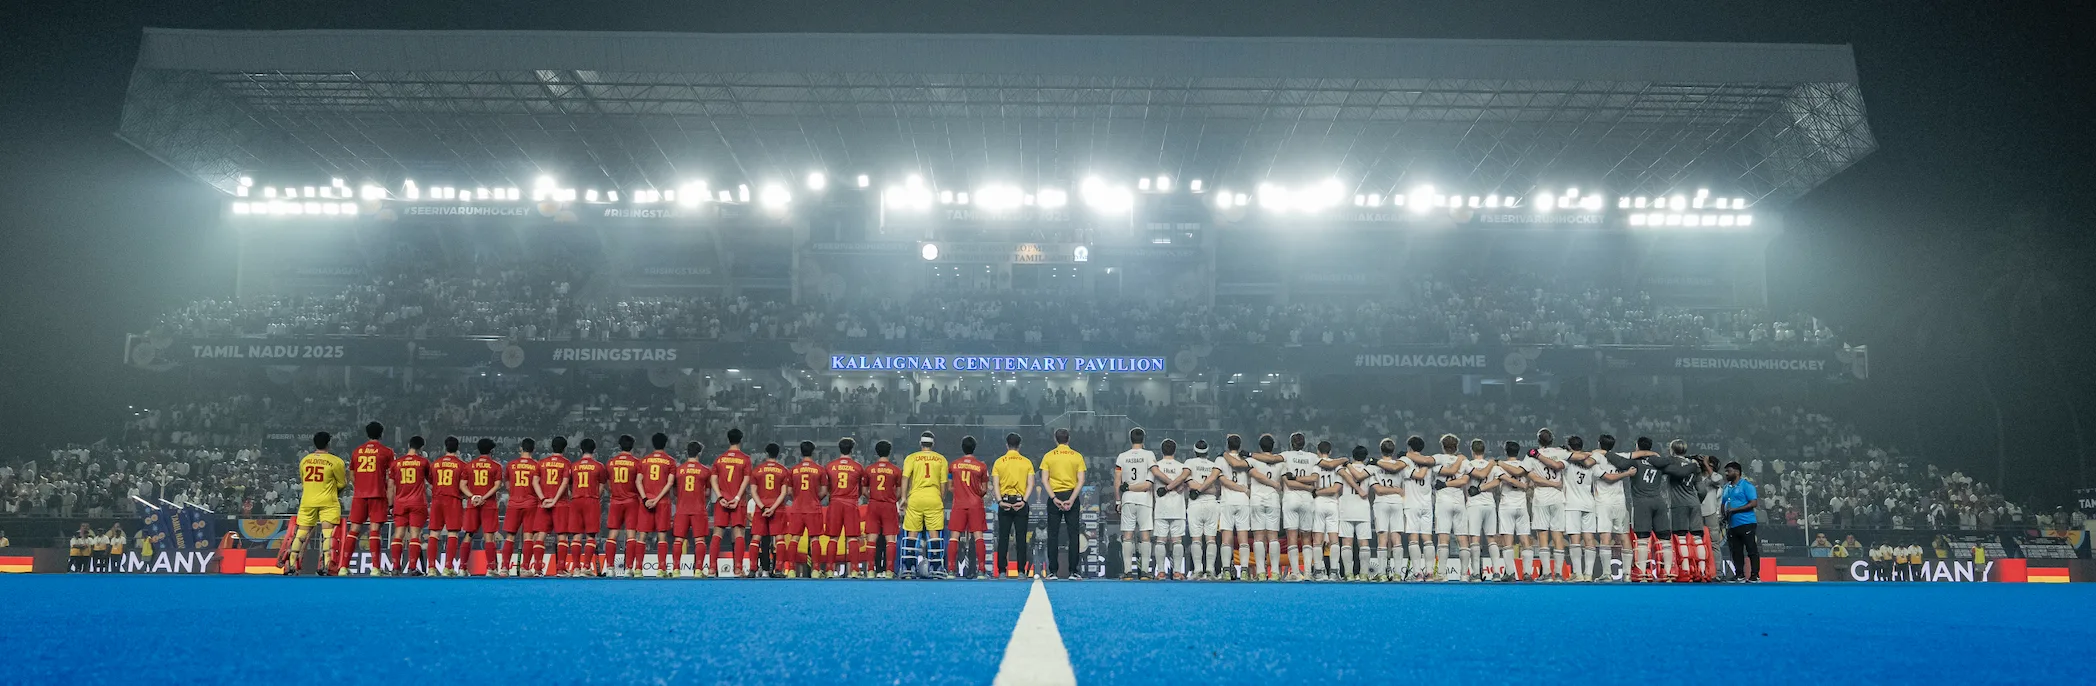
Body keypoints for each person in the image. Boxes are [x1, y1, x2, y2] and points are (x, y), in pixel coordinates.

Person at [286, 432, 347, 575]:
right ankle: (326, 565)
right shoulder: (336, 461)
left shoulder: (305, 460)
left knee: (301, 533)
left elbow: (303, 481)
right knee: (327, 534)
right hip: (328, 501)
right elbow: (342, 483)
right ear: (329, 443)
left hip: (308, 500)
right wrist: (333, 491)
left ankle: (291, 564)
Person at [1235, 434, 1287, 581]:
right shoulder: (1280, 463)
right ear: (1273, 446)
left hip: (1257, 500)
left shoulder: (1252, 460)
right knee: (1273, 537)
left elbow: (1238, 465)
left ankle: (1261, 572)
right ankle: (1275, 572)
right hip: (1273, 500)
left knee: (1258, 537)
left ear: (1260, 447)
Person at [345, 422, 395, 575]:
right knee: (374, 530)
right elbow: (391, 476)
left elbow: (351, 474)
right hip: (378, 494)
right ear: (381, 434)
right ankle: (375, 568)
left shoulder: (357, 451)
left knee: (354, 529)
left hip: (360, 495)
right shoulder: (387, 451)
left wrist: (361, 486)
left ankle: (343, 567)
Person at [898, 432, 949, 579]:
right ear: (933, 444)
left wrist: (903, 497)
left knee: (912, 533)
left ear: (920, 444)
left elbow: (905, 478)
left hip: (915, 498)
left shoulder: (911, 458)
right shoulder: (941, 459)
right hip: (933, 497)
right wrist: (940, 498)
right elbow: (943, 484)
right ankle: (936, 568)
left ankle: (908, 568)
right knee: (934, 534)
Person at [1040, 428, 1087, 579]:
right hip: (1071, 495)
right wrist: (1072, 499)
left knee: (1053, 535)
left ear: (1055, 439)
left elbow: (1044, 480)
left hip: (1055, 496)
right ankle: (1073, 571)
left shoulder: (1048, 456)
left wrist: (1054, 498)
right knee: (1073, 535)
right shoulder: (1077, 456)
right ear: (1069, 439)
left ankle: (1053, 572)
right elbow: (1081, 480)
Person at [1113, 428, 1158, 579]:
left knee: (1127, 535)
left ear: (1130, 439)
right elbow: (1149, 483)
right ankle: (1144, 572)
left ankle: (1127, 572)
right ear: (1143, 439)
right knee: (1145, 535)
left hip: (1128, 499)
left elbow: (1117, 480)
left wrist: (1118, 500)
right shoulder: (1149, 455)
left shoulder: (1122, 456)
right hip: (1144, 499)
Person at [990, 433, 1035, 579]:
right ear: (1019, 445)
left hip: (1004, 502)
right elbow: (1031, 484)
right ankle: (1021, 571)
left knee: (1003, 537)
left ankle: (1002, 571)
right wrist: (1024, 501)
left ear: (1006, 445)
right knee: (1021, 538)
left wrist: (999, 502)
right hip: (1021, 503)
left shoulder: (999, 462)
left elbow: (995, 484)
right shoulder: (1027, 462)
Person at [1277, 432, 1321, 582]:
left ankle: (1295, 573)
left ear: (1291, 443)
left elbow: (1288, 483)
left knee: (1292, 537)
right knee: (1307, 537)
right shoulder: (1313, 457)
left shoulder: (1285, 456)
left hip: (1290, 499)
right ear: (1304, 443)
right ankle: (1308, 573)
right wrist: (1308, 488)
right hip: (1307, 500)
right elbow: (1314, 478)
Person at [1527, 429, 1570, 580]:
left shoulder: (1532, 455)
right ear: (1552, 440)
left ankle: (1546, 573)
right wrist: (1555, 484)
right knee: (1558, 535)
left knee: (1543, 535)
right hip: (1558, 498)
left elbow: (1534, 478)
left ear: (1538, 440)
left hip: (1541, 498)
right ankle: (1558, 573)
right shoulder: (1561, 453)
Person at [385, 436, 431, 576]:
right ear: (421, 448)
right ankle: (412, 567)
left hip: (400, 502)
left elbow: (390, 486)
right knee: (415, 535)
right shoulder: (423, 462)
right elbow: (431, 481)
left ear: (408, 445)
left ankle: (396, 568)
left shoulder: (396, 463)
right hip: (417, 502)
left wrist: (390, 505)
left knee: (398, 534)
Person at [710, 430, 754, 578]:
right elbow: (746, 479)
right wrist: (736, 497)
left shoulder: (719, 459)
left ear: (728, 439)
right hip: (738, 501)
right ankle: (738, 570)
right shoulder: (745, 459)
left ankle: (711, 569)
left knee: (717, 533)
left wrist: (720, 496)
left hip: (722, 500)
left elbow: (713, 479)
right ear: (741, 440)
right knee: (739, 533)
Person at [496, 438, 542, 577]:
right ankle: (525, 568)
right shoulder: (537, 465)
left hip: (514, 503)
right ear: (534, 449)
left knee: (510, 536)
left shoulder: (511, 464)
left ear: (520, 448)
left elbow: (507, 483)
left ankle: (504, 568)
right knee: (528, 536)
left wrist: (514, 493)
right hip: (530, 503)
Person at [1593, 435, 1636, 582]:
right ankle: (1627, 574)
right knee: (1624, 536)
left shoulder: (1596, 458)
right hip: (1620, 502)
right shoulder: (1620, 457)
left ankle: (1607, 574)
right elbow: (1637, 454)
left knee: (1606, 536)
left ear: (1599, 443)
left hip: (1603, 503)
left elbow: (1609, 478)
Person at [461, 438, 505, 577]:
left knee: (468, 534)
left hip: (472, 504)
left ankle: (462, 568)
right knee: (488, 536)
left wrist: (473, 497)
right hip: (488, 505)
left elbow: (462, 485)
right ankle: (491, 569)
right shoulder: (496, 466)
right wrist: (483, 498)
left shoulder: (469, 465)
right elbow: (497, 485)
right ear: (492, 450)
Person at [948, 437, 991, 579]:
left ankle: (950, 571)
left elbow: (950, 487)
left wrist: (961, 492)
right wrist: (974, 493)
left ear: (962, 447)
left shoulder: (953, 465)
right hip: (975, 504)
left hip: (959, 504)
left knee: (954, 537)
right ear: (974, 448)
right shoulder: (981, 466)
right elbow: (984, 489)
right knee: (978, 536)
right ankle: (981, 571)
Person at [637, 434, 679, 578]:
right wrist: (657, 499)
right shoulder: (670, 461)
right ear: (665, 444)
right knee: (662, 535)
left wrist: (645, 499)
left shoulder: (644, 460)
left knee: (642, 535)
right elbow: (670, 483)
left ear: (652, 443)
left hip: (646, 502)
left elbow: (638, 481)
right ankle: (661, 569)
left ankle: (638, 569)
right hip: (662, 502)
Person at [825, 438, 867, 578]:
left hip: (835, 502)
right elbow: (861, 489)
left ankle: (829, 570)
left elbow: (827, 487)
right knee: (852, 538)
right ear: (852, 449)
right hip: (851, 503)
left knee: (833, 538)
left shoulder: (830, 466)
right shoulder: (858, 467)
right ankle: (854, 570)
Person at [1215, 435, 1254, 581]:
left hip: (1227, 501)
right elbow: (1250, 481)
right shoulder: (1246, 460)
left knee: (1226, 537)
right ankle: (1244, 570)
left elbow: (1222, 481)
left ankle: (1226, 570)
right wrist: (1244, 489)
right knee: (1243, 537)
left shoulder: (1220, 460)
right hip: (1243, 501)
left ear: (1227, 445)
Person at [1149, 438, 1190, 580]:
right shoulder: (1182, 467)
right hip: (1178, 507)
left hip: (1161, 507)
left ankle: (1161, 572)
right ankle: (1177, 572)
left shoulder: (1156, 466)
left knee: (1160, 541)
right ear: (1175, 451)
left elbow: (1150, 485)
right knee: (1177, 541)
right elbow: (1186, 486)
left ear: (1161, 450)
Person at [786, 441, 828, 577]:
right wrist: (814, 498)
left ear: (801, 452)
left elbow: (789, 491)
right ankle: (815, 570)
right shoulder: (820, 469)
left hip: (797, 508)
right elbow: (824, 491)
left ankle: (791, 570)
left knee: (794, 539)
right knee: (815, 539)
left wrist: (798, 498)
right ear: (813, 452)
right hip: (813, 508)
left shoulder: (793, 470)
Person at [428, 437, 468, 576]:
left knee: (434, 533)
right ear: (458, 448)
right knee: (453, 533)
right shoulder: (462, 465)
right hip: (453, 500)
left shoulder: (435, 464)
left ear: (445, 447)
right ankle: (448, 567)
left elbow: (431, 481)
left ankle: (431, 568)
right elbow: (464, 486)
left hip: (437, 499)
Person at [603, 436, 642, 576]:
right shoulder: (637, 463)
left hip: (615, 501)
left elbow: (607, 483)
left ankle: (610, 568)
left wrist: (613, 491)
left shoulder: (611, 462)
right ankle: (629, 569)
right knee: (631, 534)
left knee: (612, 534)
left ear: (619, 445)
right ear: (632, 446)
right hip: (632, 501)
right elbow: (639, 482)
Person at [673, 441, 713, 578]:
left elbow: (675, 491)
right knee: (699, 540)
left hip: (682, 509)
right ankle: (698, 570)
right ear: (699, 453)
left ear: (687, 452)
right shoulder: (705, 471)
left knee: (678, 540)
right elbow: (707, 492)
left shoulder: (678, 470)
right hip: (698, 509)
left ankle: (676, 570)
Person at [566, 439, 606, 576]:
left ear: (580, 450)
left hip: (576, 500)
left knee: (576, 535)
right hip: (591, 500)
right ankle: (586, 567)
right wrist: (596, 497)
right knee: (591, 535)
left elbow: (569, 485)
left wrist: (574, 494)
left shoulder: (574, 466)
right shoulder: (599, 466)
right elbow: (602, 485)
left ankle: (576, 568)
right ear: (594, 450)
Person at [864, 441, 904, 578]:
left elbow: (864, 490)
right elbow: (899, 491)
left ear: (876, 452)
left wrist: (873, 497)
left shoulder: (869, 469)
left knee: (871, 538)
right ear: (889, 452)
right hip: (889, 505)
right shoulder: (896, 470)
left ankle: (870, 571)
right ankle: (889, 571)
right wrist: (892, 499)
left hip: (874, 504)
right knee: (890, 539)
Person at [1182, 439, 1221, 580]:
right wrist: (1207, 489)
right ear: (1208, 452)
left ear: (1194, 451)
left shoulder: (1189, 463)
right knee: (1211, 539)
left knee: (1196, 539)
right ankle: (1210, 571)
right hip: (1211, 503)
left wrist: (1198, 490)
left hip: (1195, 504)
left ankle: (1198, 570)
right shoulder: (1214, 465)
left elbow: (1190, 484)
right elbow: (1215, 489)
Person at [534, 436, 572, 577]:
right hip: (561, 504)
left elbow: (535, 482)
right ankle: (560, 569)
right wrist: (555, 500)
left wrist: (543, 498)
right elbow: (564, 483)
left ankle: (537, 569)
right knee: (562, 535)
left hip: (543, 503)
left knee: (541, 535)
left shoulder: (542, 462)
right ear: (565, 448)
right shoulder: (566, 463)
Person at [751, 443, 790, 577]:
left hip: (761, 507)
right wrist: (773, 508)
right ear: (778, 454)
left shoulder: (757, 470)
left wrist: (763, 507)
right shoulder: (783, 470)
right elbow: (784, 492)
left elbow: (753, 491)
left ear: (766, 453)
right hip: (777, 508)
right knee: (779, 538)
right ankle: (778, 569)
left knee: (756, 537)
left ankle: (752, 569)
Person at [1334, 445, 1373, 581]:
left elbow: (1338, 488)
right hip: (1363, 508)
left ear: (1352, 455)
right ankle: (1364, 574)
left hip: (1346, 507)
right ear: (1366, 457)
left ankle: (1348, 574)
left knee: (1346, 542)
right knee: (1364, 543)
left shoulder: (1344, 470)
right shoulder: (1369, 470)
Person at [1720, 461, 1760, 582]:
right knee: (1736, 551)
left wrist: (1735, 510)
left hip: (1746, 522)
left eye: (1729, 471)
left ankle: (1755, 575)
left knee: (1751, 549)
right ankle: (1739, 574)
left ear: (1737, 472)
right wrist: (1723, 516)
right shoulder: (1726, 487)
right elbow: (1723, 503)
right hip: (1732, 524)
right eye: (1726, 471)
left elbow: (1753, 503)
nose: (1726, 474)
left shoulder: (1746, 485)